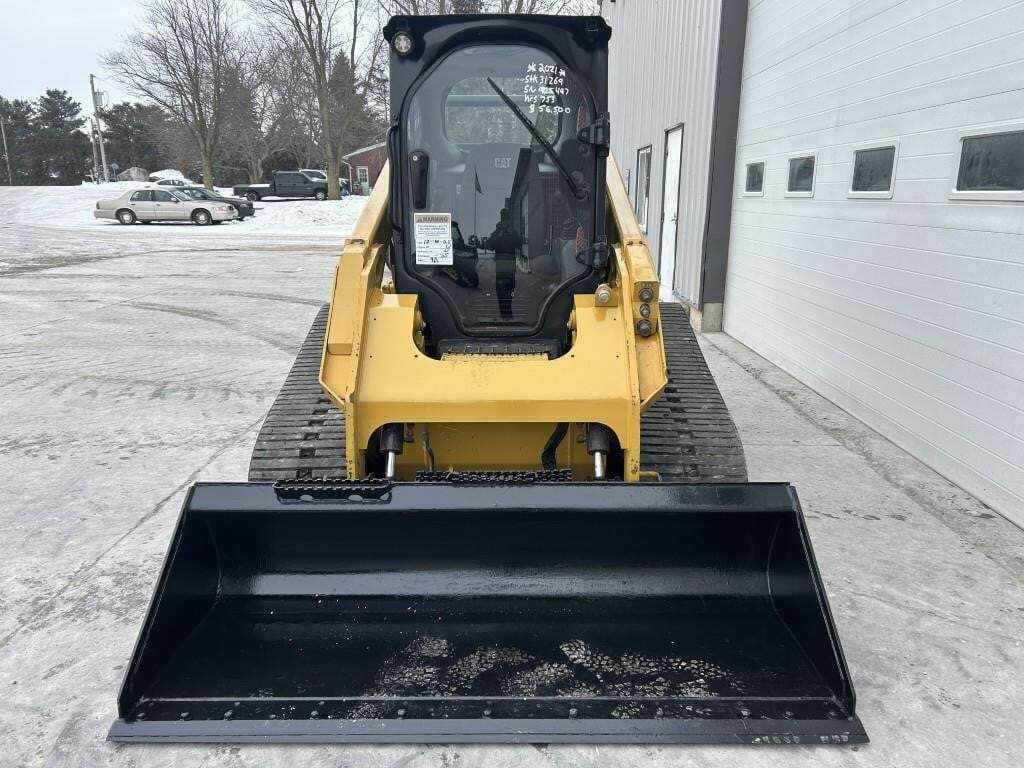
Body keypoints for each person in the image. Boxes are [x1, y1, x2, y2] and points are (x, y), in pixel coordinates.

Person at [484, 209, 523, 321]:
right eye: (504, 219)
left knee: (509, 290)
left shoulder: (512, 232)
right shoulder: (498, 232)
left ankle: (507, 313)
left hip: (510, 266)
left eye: (507, 219)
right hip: (502, 267)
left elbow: (519, 244)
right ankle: (505, 314)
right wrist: (499, 234)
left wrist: (510, 233)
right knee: (502, 291)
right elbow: (490, 245)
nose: (505, 222)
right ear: (501, 220)